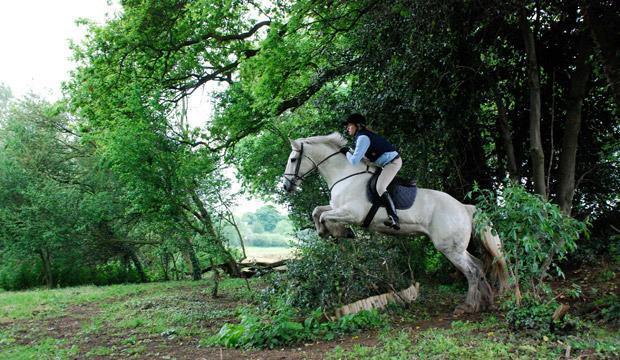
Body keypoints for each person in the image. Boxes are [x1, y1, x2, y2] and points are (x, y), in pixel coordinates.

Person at [340, 113, 402, 230]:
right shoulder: (362, 136)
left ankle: (394, 218)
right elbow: (361, 157)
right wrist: (350, 151)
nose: (347, 128)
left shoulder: (363, 138)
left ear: (357, 126)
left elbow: (354, 161)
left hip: (392, 163)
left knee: (380, 187)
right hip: (383, 163)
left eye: (349, 126)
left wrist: (347, 152)